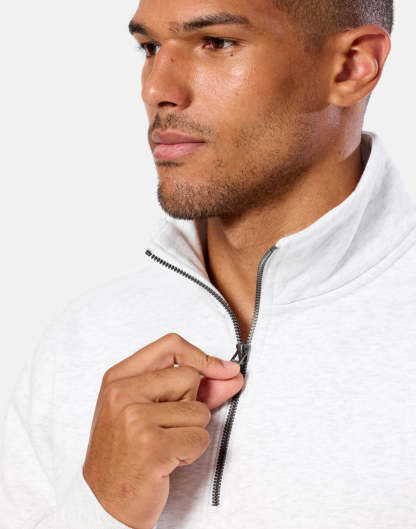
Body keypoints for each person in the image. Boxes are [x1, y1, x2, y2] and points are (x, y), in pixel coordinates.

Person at [1, 0, 416, 527]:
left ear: (352, 66)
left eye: (216, 43)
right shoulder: (82, 341)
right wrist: (102, 508)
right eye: (150, 47)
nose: (157, 89)